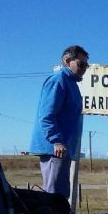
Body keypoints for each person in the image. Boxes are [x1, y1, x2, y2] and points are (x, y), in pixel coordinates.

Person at [29, 45, 89, 198]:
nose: (84, 68)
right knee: (54, 195)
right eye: (81, 64)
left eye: (86, 65)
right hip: (55, 149)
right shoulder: (58, 80)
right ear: (67, 61)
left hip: (63, 148)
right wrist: (57, 141)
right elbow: (46, 115)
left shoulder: (71, 83)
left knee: (60, 194)